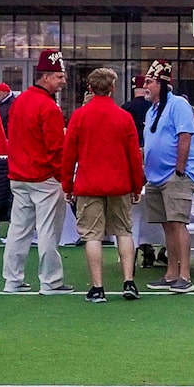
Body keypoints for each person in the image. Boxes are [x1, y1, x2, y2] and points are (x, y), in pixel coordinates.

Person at [63, 68, 144, 303]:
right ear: (112, 88)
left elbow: (69, 156)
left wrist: (67, 184)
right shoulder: (123, 117)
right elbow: (134, 157)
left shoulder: (79, 116)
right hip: (119, 184)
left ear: (90, 88)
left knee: (92, 236)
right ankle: (128, 281)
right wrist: (136, 186)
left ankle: (98, 287)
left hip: (89, 184)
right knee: (124, 231)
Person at [1, 51, 70, 296]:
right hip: (43, 177)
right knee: (48, 231)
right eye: (59, 76)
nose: (63, 81)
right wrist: (64, 179)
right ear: (47, 77)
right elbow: (55, 148)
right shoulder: (48, 107)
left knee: (18, 231)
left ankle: (12, 280)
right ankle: (51, 281)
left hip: (19, 176)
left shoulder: (19, 101)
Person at [135, 62, 194, 294]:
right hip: (156, 176)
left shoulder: (178, 104)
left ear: (162, 84)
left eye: (149, 82)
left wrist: (179, 170)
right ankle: (171, 273)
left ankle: (185, 275)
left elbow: (185, 136)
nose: (145, 86)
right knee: (167, 225)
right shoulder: (152, 109)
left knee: (178, 223)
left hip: (175, 175)